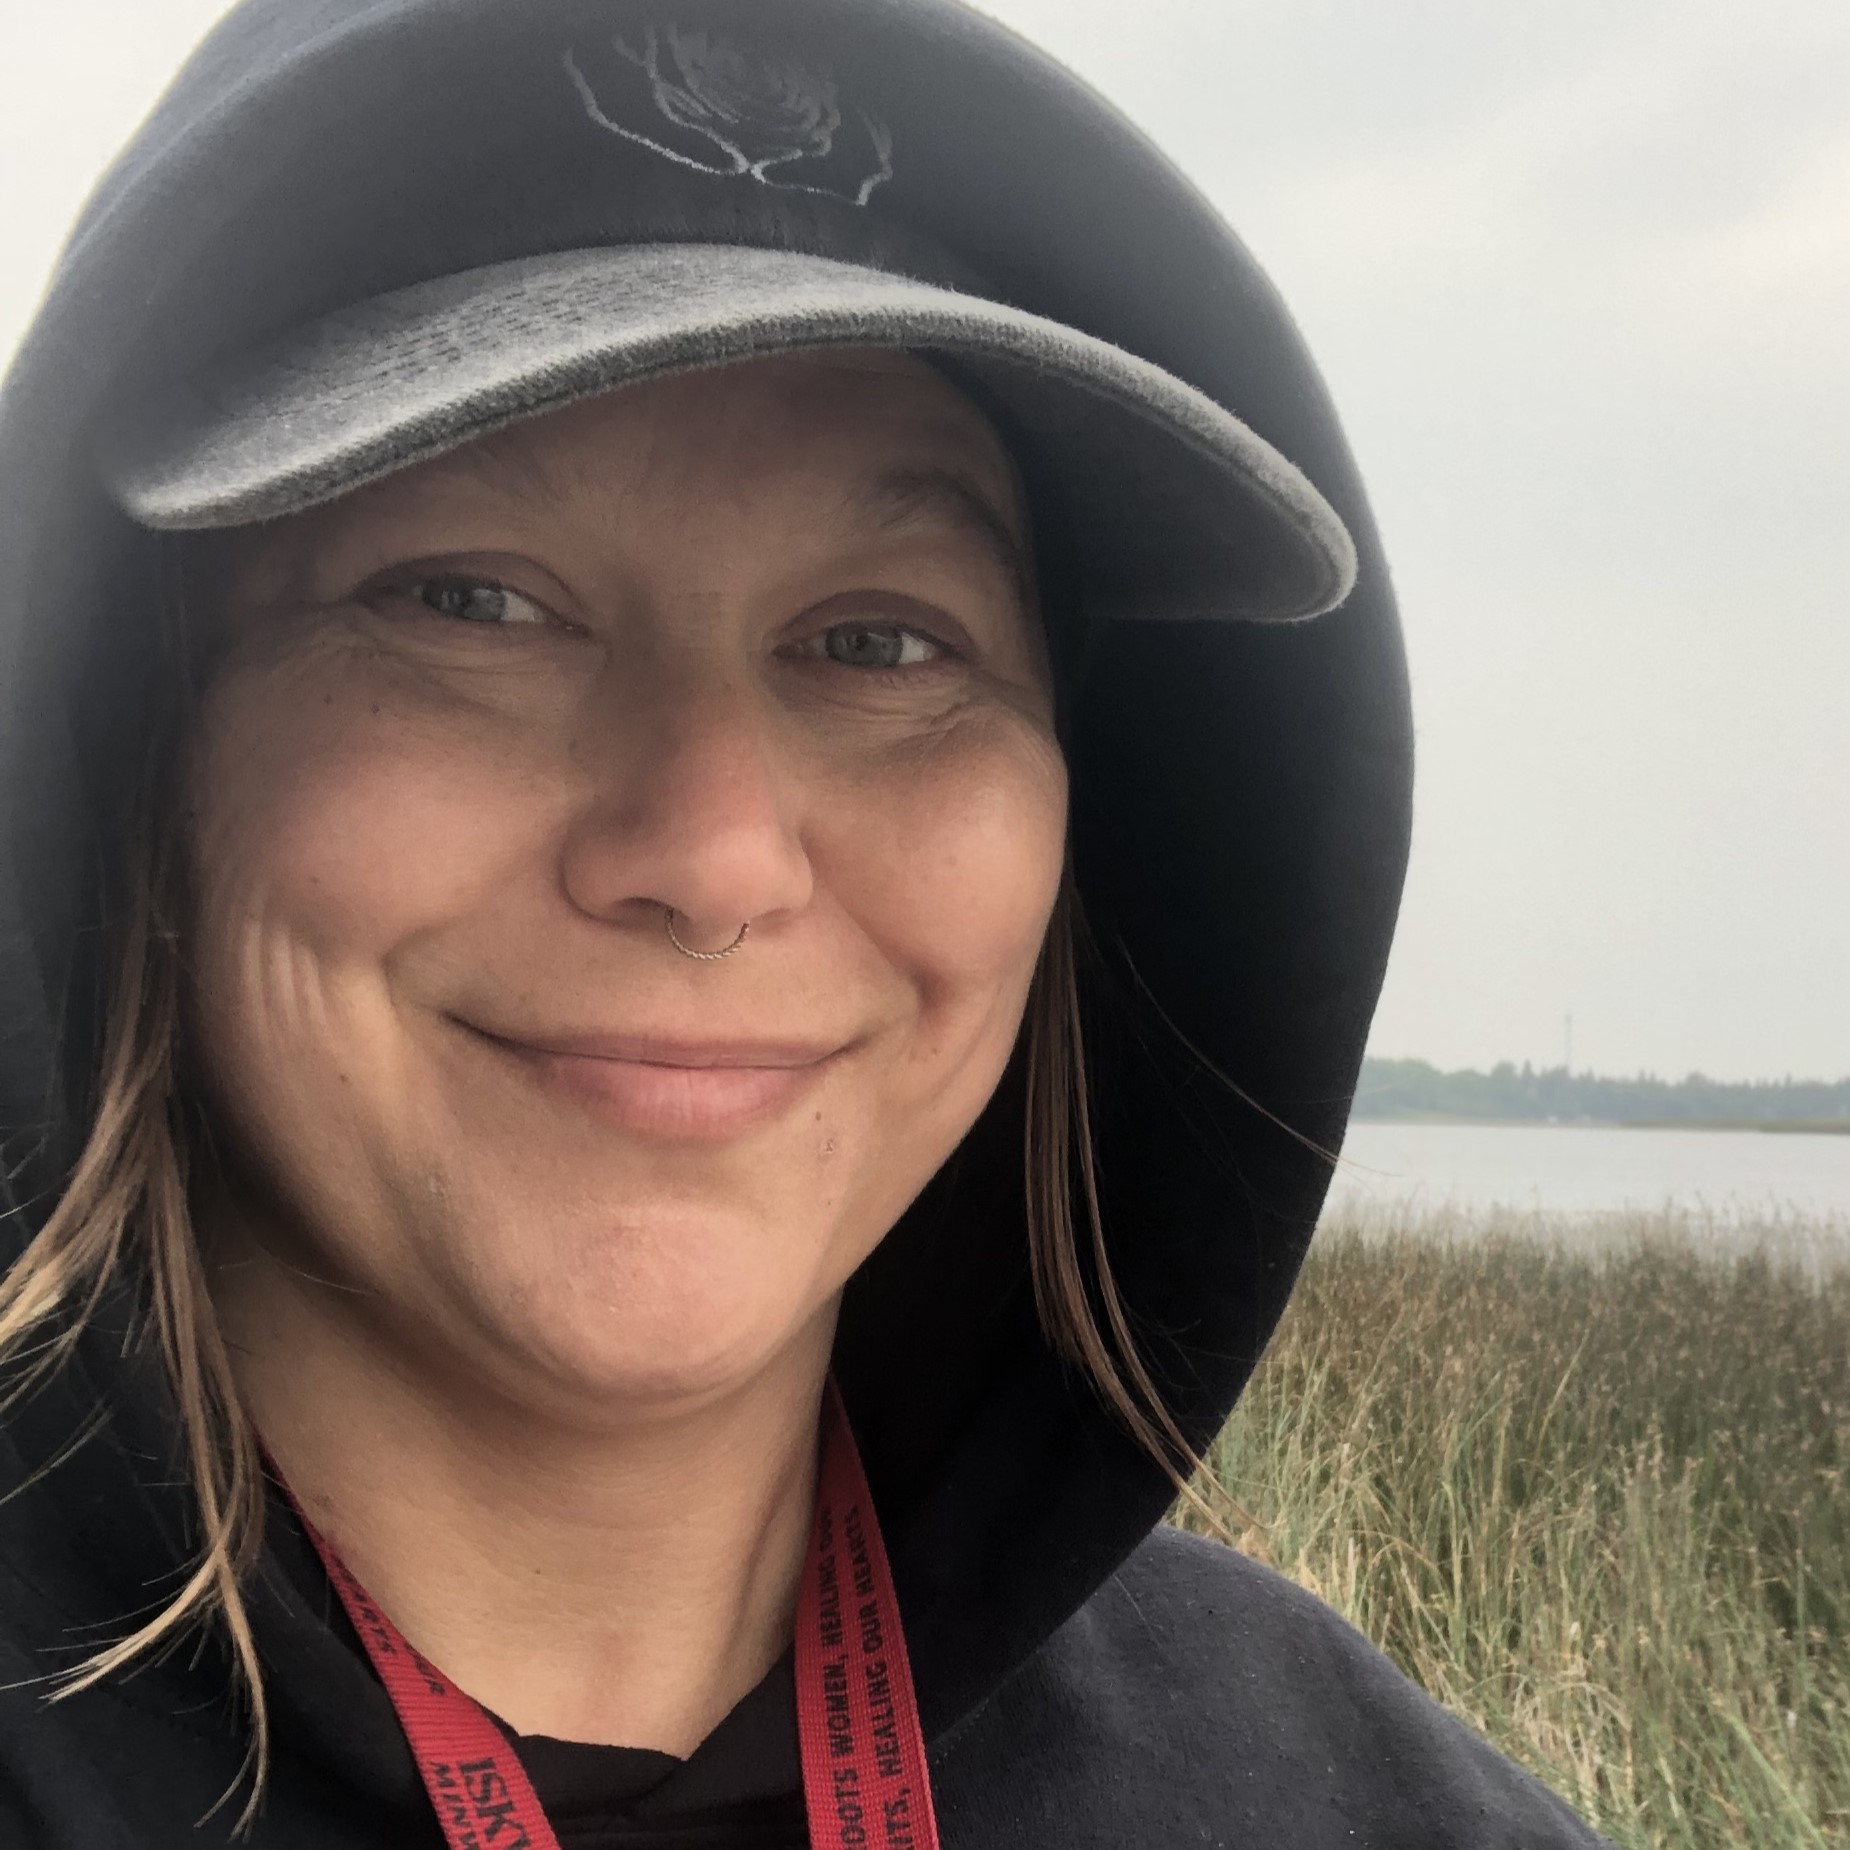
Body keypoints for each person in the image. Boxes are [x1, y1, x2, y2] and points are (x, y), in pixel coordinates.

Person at [0, 2, 1609, 1845]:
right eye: (468, 599)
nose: (713, 848)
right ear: (125, 735)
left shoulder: (1366, 1811)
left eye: (879, 639)